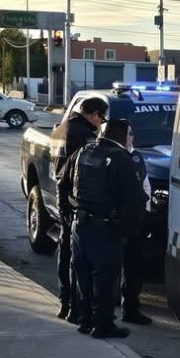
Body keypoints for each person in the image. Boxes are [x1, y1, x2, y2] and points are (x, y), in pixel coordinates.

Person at [57, 118, 146, 338]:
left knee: (83, 277)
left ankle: (84, 320)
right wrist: (126, 231)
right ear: (121, 136)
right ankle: (103, 325)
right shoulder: (121, 159)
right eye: (128, 136)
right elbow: (134, 201)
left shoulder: (83, 153)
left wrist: (66, 214)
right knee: (105, 279)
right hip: (106, 228)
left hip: (80, 226)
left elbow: (62, 183)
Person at [50, 96, 109, 322]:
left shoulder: (60, 128)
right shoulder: (85, 135)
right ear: (93, 114)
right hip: (76, 199)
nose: (100, 123)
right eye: (101, 119)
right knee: (78, 258)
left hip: (60, 191)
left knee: (64, 253)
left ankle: (64, 302)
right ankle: (75, 307)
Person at [120, 132, 153, 325]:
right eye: (126, 134)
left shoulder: (136, 156)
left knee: (134, 269)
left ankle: (130, 309)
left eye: (131, 134)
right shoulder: (113, 156)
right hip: (115, 222)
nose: (129, 137)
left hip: (137, 222)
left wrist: (146, 215)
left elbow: (145, 187)